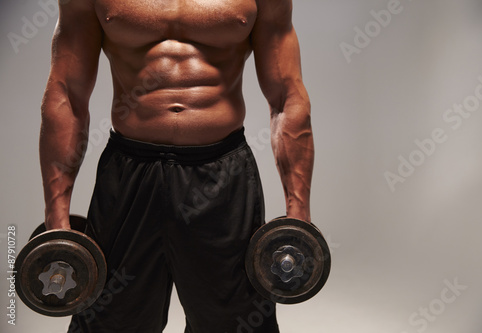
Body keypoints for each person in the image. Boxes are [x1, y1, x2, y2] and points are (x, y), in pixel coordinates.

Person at [39, 0, 313, 332]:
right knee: (110, 321)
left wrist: (298, 212)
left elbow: (286, 96)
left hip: (221, 178)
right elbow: (66, 94)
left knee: (234, 322)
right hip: (129, 177)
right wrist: (56, 218)